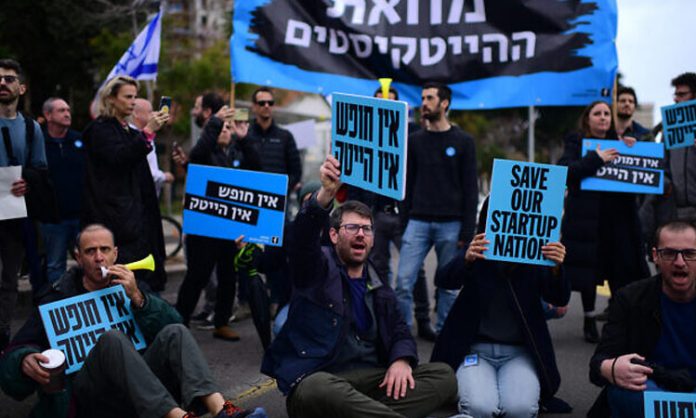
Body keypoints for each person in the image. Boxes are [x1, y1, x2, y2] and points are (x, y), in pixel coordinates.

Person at [0, 224, 267, 418]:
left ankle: (222, 410)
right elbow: (15, 354)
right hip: (90, 394)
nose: (99, 258)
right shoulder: (57, 297)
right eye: (90, 251)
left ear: (115, 254)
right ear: (78, 257)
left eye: (105, 249)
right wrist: (24, 359)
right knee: (112, 339)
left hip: (141, 391)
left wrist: (139, 298)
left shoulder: (131, 286)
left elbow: (176, 326)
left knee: (174, 330)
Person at [261, 155, 457, 418]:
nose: (361, 234)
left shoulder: (378, 283)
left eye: (367, 229)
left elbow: (399, 330)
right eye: (352, 227)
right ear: (333, 235)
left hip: (371, 383)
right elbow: (301, 242)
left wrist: (401, 359)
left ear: (373, 240)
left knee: (443, 376)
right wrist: (326, 193)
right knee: (315, 389)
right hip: (323, 378)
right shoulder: (316, 267)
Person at [431, 197, 571, 418]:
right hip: (475, 351)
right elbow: (444, 280)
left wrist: (557, 269)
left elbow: (560, 297)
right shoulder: (479, 251)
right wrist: (465, 260)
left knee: (520, 410)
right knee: (480, 408)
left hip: (520, 354)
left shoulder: (537, 256)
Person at [558, 100, 650, 343]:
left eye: (606, 113)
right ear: (588, 119)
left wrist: (631, 149)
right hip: (587, 220)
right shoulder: (576, 142)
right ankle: (589, 317)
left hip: (619, 220)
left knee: (620, 269)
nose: (602, 118)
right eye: (597, 113)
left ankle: (618, 320)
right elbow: (565, 171)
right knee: (590, 272)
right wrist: (596, 158)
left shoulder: (621, 142)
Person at [589, 220, 696, 418]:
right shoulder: (629, 298)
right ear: (655, 256)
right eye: (670, 253)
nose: (680, 262)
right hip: (649, 391)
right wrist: (610, 368)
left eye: (689, 254)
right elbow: (598, 364)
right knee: (627, 392)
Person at [395, 81, 479, 333]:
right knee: (402, 282)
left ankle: (445, 334)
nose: (424, 103)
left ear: (444, 104)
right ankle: (401, 338)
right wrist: (404, 221)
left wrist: (467, 231)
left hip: (451, 225)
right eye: (422, 98)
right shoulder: (415, 141)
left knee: (449, 287)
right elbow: (406, 185)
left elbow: (470, 189)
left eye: (430, 98)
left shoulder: (464, 141)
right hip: (418, 222)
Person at [175, 107, 261, 342]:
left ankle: (221, 322)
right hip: (203, 231)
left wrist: (244, 140)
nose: (225, 131)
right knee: (197, 276)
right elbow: (198, 151)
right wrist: (215, 121)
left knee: (228, 277)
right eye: (222, 128)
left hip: (227, 230)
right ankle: (179, 322)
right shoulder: (203, 155)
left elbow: (256, 168)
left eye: (227, 128)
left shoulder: (232, 154)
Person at [81, 76, 169, 291]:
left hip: (139, 218)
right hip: (118, 221)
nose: (133, 102)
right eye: (128, 97)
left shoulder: (128, 130)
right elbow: (119, 159)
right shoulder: (99, 129)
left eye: (135, 96)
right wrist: (148, 132)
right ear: (111, 99)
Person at [0, 58, 47, 350]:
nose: (2, 83)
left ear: (21, 86)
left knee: (8, 281)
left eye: (8, 78)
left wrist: (27, 181)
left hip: (13, 214)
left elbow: (40, 169)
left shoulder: (31, 129)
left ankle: (2, 336)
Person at [248, 87, 302, 313]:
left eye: (270, 102)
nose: (266, 106)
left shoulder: (285, 136)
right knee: (248, 254)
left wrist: (278, 192)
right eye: (262, 103)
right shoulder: (244, 136)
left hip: (277, 208)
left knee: (275, 254)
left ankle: (276, 299)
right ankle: (247, 300)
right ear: (254, 107)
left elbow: (296, 171)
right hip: (248, 205)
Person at [39, 97, 86, 284]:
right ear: (48, 115)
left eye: (68, 110)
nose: (67, 114)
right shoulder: (38, 142)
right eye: (61, 110)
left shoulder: (79, 140)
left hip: (80, 216)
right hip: (53, 219)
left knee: (87, 263)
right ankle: (56, 306)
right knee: (55, 266)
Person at [132, 98, 174, 197]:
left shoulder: (145, 135)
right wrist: (164, 176)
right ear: (135, 114)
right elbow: (146, 171)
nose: (155, 114)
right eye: (150, 111)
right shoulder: (137, 137)